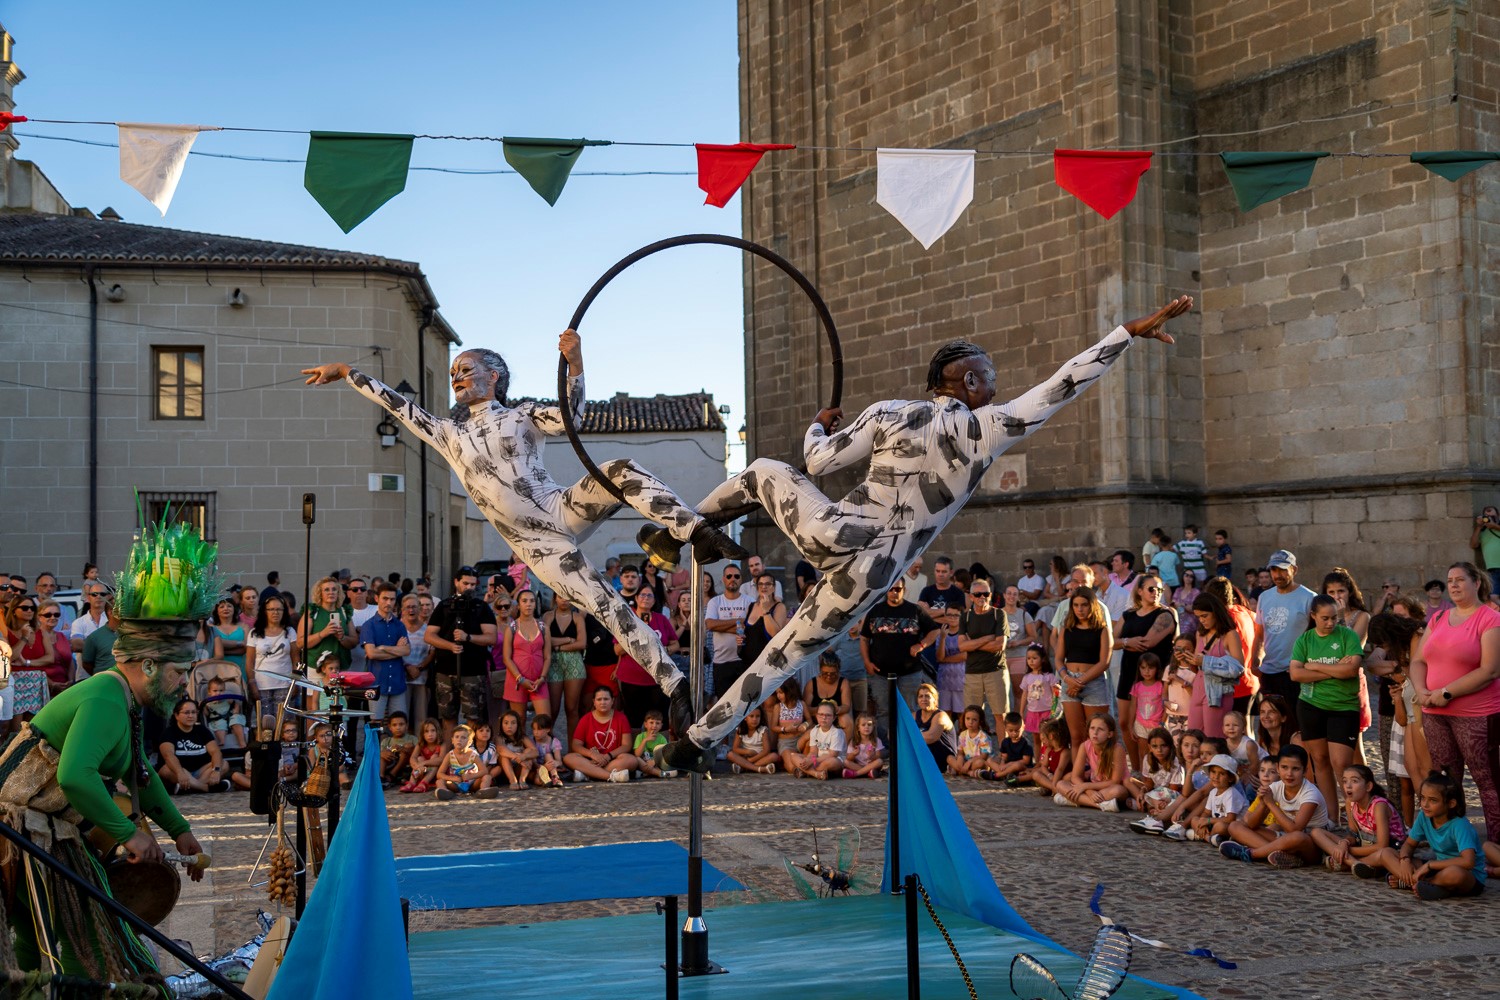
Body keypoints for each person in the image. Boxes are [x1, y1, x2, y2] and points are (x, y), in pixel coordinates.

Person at [656, 296, 1193, 773]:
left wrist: (818, 424)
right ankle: (696, 742)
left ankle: (679, 532)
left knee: (763, 472)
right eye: (991, 374)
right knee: (779, 656)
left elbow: (816, 462)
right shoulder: (986, 430)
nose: (999, 383)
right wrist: (1125, 333)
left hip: (837, 531)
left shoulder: (891, 412)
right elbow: (1062, 385)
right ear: (971, 382)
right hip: (874, 574)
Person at [304, 331, 743, 744]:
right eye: (453, 371)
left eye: (465, 368)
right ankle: (676, 686)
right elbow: (400, 407)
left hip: (560, 508)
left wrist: (575, 365)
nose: (456, 377)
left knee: (620, 469)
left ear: (493, 377)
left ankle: (690, 529)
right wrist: (347, 373)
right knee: (609, 608)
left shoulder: (523, 415)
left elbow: (573, 418)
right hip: (539, 548)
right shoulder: (448, 433)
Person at [0, 520, 209, 989]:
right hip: (19, 831)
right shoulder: (104, 698)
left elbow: (141, 775)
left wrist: (180, 830)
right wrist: (126, 835)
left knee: (75, 937)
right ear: (150, 665)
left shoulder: (128, 703)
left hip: (49, 831)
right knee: (64, 941)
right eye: (180, 672)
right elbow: (75, 777)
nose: (184, 685)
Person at [1408, 561, 1500, 843]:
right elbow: (1418, 660)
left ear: (1477, 583)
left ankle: (1496, 844)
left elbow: (1490, 670)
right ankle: (1451, 843)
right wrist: (1422, 689)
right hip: (1435, 711)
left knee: (1487, 780)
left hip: (1476, 714)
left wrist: (1446, 692)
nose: (1454, 585)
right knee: (1445, 780)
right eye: (1450, 581)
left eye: (1461, 579)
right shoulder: (1437, 620)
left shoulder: (1490, 619)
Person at [1290, 594, 1365, 815]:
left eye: (1334, 618)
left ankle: (1356, 816)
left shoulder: (1348, 636)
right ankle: (1332, 817)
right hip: (1311, 706)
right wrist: (1333, 672)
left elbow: (1351, 670)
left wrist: (1313, 667)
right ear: (1313, 616)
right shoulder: (1304, 640)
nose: (1330, 623)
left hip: (1344, 707)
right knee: (1320, 761)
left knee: (1341, 764)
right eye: (1325, 618)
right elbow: (1295, 673)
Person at [1365, 769, 1485, 899]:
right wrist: (1405, 860)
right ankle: (1425, 884)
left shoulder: (1460, 824)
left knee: (1455, 874)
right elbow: (1409, 844)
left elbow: (1468, 862)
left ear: (1451, 803)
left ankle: (1420, 882)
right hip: (1438, 868)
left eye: (1433, 800)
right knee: (1387, 853)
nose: (1425, 805)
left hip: (1468, 876)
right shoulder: (1424, 817)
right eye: (1422, 798)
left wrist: (1429, 865)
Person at [1219, 744, 1331, 868]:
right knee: (1235, 826)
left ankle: (1253, 853)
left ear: (1305, 770)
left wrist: (1270, 803)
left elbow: (1294, 830)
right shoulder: (1275, 787)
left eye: (1295, 769)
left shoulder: (1310, 793)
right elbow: (1251, 824)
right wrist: (1263, 802)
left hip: (1311, 846)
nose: (1289, 773)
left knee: (1297, 837)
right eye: (1284, 767)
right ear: (1277, 768)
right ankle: (1280, 854)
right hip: (1285, 840)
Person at [424, 567, 498, 744]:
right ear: (456, 582)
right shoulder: (444, 606)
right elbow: (429, 635)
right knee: (447, 717)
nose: (469, 587)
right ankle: (451, 757)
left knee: (474, 717)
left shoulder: (481, 607)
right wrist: (449, 645)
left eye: (473, 584)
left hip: (473, 671)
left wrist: (468, 637)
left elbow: (491, 637)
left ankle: (470, 755)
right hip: (445, 670)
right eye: (465, 583)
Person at [1115, 574, 1177, 770]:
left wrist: (1125, 643)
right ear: (1139, 591)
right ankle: (1136, 768)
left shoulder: (1165, 614)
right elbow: (1109, 641)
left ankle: (1155, 769)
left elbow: (1147, 643)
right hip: (1129, 673)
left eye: (1159, 589)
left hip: (1153, 678)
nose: (1156, 593)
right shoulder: (1128, 615)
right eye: (1151, 589)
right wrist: (1128, 642)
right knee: (1125, 723)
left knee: (1151, 726)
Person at [1311, 764, 1406, 877]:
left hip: (1390, 850)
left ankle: (1349, 862)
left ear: (1368, 786)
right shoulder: (1350, 803)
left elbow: (1382, 845)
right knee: (1316, 832)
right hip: (1364, 846)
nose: (1348, 786)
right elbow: (1354, 835)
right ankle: (1356, 864)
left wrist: (1348, 851)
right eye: (1345, 781)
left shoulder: (1379, 805)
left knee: (1382, 855)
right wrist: (1344, 843)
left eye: (1354, 781)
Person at [860, 580, 942, 712]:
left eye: (897, 589)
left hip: (909, 673)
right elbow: (864, 638)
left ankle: (906, 734)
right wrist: (866, 662)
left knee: (909, 711)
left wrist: (921, 645)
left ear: (904, 590)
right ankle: (885, 734)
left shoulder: (915, 610)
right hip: (880, 674)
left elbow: (935, 630)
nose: (894, 593)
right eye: (891, 589)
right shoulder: (875, 611)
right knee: (882, 711)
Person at [1252, 550, 1317, 707]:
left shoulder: (1309, 598)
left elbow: (1316, 636)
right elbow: (1260, 634)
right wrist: (1254, 661)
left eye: (1282, 569)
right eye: (1274, 570)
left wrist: (1305, 666)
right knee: (1270, 722)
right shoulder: (1264, 597)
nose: (1277, 575)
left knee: (1296, 723)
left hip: (1295, 672)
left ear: (1294, 570)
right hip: (1268, 672)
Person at [1055, 587, 1113, 751]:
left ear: (1092, 605)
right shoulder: (1067, 629)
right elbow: (1058, 659)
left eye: (1084, 605)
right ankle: (1077, 774)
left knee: (1097, 736)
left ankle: (1098, 774)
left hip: (1093, 683)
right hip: (1069, 681)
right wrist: (1068, 680)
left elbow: (1104, 662)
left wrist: (1079, 681)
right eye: (1076, 605)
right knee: (1076, 736)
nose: (1080, 609)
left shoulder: (1102, 630)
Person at [158, 697, 238, 793]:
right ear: (176, 715)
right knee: (165, 769)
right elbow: (168, 755)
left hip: (201, 772)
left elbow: (215, 752)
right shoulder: (169, 732)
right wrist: (180, 773)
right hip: (180, 771)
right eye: (186, 713)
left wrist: (216, 770)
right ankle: (205, 788)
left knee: (224, 764)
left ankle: (191, 787)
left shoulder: (202, 730)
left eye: (193, 712)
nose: (190, 716)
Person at [959, 580, 1011, 728]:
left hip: (996, 671)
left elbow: (1000, 645)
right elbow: (962, 646)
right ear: (971, 597)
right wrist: (988, 638)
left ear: (990, 595)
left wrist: (973, 644)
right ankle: (975, 751)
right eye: (977, 594)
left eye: (986, 593)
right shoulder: (965, 617)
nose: (982, 597)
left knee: (1000, 715)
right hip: (973, 672)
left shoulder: (999, 614)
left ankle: (1003, 751)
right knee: (971, 717)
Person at [1053, 714, 1129, 812]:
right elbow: (1075, 776)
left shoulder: (1117, 749)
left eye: (1100, 729)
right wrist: (1089, 791)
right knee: (1061, 784)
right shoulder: (1085, 746)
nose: (1095, 733)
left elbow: (1115, 781)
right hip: (1094, 788)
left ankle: (1073, 800)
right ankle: (1102, 805)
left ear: (1110, 734)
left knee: (1119, 791)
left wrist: (1085, 786)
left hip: (1109, 788)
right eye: (1092, 728)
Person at [361, 581, 411, 722]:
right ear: (377, 599)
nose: (389, 602)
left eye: (392, 599)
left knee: (400, 724)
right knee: (375, 724)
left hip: (397, 682)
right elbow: (371, 654)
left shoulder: (400, 625)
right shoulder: (368, 625)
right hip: (377, 682)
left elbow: (407, 650)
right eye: (385, 598)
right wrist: (396, 650)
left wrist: (383, 648)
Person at [564, 686, 637, 782]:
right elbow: (576, 745)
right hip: (591, 760)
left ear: (612, 701)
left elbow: (627, 745)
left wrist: (608, 756)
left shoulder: (621, 718)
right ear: (594, 702)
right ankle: (612, 776)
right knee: (568, 758)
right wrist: (592, 755)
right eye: (599, 699)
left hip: (612, 760)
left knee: (631, 760)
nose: (603, 702)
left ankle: (588, 774)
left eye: (606, 699)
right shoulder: (586, 719)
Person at [704, 564, 753, 706]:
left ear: (741, 579)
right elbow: (710, 625)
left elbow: (749, 628)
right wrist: (738, 621)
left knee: (744, 703)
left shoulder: (749, 601)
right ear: (723, 579)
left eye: (736, 576)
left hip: (744, 660)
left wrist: (721, 625)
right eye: (729, 576)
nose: (733, 579)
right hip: (721, 662)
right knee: (725, 704)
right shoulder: (715, 601)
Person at [502, 589, 553, 723]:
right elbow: (506, 658)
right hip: (517, 681)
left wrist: (542, 678)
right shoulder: (511, 628)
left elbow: (548, 656)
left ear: (536, 604)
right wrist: (520, 679)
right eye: (524, 601)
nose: (528, 604)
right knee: (519, 722)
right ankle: (523, 745)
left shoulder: (543, 627)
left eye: (532, 601)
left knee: (545, 721)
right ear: (518, 605)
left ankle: (546, 745)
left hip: (539, 681)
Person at [542, 592, 587, 743]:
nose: (564, 600)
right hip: (553, 663)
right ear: (555, 598)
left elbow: (582, 643)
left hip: (574, 663)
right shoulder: (548, 616)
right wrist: (568, 640)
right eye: (561, 596)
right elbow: (544, 639)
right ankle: (547, 746)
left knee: (572, 709)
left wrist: (559, 647)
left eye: (567, 597)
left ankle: (573, 750)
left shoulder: (577, 617)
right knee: (553, 709)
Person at [804, 649, 854, 744]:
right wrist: (822, 711)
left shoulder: (843, 682)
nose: (829, 676)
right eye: (825, 673)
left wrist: (837, 709)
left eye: (833, 673)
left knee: (846, 719)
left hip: (835, 718)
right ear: (820, 669)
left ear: (838, 670)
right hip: (817, 719)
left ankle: (843, 750)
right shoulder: (812, 683)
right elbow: (805, 708)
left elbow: (846, 706)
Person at [435, 723, 496, 800]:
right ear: (452, 740)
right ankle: (445, 792)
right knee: (439, 781)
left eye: (463, 737)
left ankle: (483, 791)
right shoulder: (450, 755)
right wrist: (452, 778)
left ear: (470, 742)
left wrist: (470, 776)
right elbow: (439, 774)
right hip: (456, 783)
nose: (459, 739)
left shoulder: (473, 755)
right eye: (456, 737)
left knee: (487, 777)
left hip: (472, 784)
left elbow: (484, 771)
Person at [786, 703, 848, 779]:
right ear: (817, 716)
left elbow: (832, 754)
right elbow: (813, 752)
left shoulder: (837, 732)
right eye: (821, 714)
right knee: (793, 756)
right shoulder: (814, 731)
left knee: (831, 762)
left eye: (828, 715)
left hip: (834, 760)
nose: (824, 717)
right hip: (817, 760)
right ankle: (816, 774)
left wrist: (812, 761)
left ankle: (806, 772)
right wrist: (808, 760)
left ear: (834, 718)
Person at [913, 682, 956, 772]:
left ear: (935, 700)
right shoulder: (914, 715)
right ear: (917, 700)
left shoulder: (941, 715)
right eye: (921, 696)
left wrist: (908, 735)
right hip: (924, 762)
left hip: (944, 762)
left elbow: (931, 737)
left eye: (927, 696)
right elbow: (895, 733)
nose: (924, 699)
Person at [1018, 644, 1057, 744]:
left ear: (1043, 659)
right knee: (1036, 740)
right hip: (1032, 712)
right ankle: (1039, 758)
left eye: (1034, 658)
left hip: (1047, 712)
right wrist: (1022, 712)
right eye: (1028, 658)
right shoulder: (1026, 677)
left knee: (1048, 739)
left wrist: (1054, 711)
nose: (1031, 661)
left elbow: (1055, 694)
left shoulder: (1049, 677)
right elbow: (1024, 695)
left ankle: (1047, 758)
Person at [1028, 719, 1072, 798]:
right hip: (1051, 777)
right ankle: (1054, 788)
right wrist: (1049, 775)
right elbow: (1044, 766)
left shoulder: (1065, 752)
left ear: (1051, 736)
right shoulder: (1048, 750)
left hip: (1062, 778)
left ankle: (1052, 788)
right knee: (1036, 774)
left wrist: (1055, 781)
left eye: (1044, 739)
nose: (1043, 742)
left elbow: (1060, 769)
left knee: (1070, 776)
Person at [728, 705, 778, 774]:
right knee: (730, 754)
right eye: (751, 716)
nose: (754, 719)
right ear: (745, 718)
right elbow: (735, 748)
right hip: (746, 756)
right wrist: (748, 752)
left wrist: (751, 759)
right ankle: (759, 769)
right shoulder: (740, 730)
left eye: (758, 716)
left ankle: (743, 767)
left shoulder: (763, 730)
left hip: (759, 757)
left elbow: (766, 750)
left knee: (774, 756)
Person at [948, 705, 994, 777]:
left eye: (974, 720)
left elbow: (984, 756)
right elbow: (960, 752)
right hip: (966, 761)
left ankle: (959, 770)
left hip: (978, 761)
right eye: (968, 719)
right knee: (949, 758)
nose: (970, 722)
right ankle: (969, 772)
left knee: (980, 763)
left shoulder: (983, 737)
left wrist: (970, 761)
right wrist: (960, 758)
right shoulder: (963, 734)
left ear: (980, 721)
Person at [401, 719, 444, 793]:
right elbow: (412, 758)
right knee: (419, 758)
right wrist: (417, 766)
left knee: (434, 758)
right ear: (422, 734)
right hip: (421, 772)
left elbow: (441, 759)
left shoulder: (441, 744)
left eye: (433, 730)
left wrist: (424, 763)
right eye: (426, 731)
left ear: (438, 731)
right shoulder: (420, 744)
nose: (430, 734)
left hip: (435, 774)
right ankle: (412, 783)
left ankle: (424, 783)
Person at [843, 712, 885, 779]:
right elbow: (848, 758)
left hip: (872, 765)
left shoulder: (876, 740)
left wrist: (872, 756)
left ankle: (856, 774)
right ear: (858, 728)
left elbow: (879, 756)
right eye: (863, 725)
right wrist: (853, 754)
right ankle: (867, 772)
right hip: (858, 765)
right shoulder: (853, 741)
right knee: (845, 762)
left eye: (869, 724)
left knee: (880, 761)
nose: (866, 727)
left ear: (873, 726)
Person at [380, 711, 417, 787]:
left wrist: (403, 749)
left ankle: (392, 775)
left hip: (406, 768)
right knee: (382, 754)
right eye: (394, 725)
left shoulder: (412, 739)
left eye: (401, 724)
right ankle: (381, 777)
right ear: (390, 727)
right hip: (390, 764)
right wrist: (385, 753)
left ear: (407, 725)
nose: (398, 728)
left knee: (406, 749)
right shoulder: (386, 741)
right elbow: (381, 754)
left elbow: (417, 753)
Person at [1470, 505, 1500, 599]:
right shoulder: (1483, 532)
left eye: (1490, 512)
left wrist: (1494, 526)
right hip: (1493, 569)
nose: (1488, 516)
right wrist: (1479, 527)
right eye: (1486, 515)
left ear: (1498, 515)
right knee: (1493, 597)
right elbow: (1473, 545)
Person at [634, 710, 673, 779]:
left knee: (674, 771)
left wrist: (654, 761)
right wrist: (645, 740)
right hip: (644, 763)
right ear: (645, 724)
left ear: (661, 726)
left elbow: (663, 754)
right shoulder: (640, 737)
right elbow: (637, 754)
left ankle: (647, 773)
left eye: (657, 723)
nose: (654, 726)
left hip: (656, 764)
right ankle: (657, 773)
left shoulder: (662, 739)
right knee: (636, 759)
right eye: (651, 722)